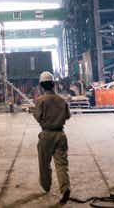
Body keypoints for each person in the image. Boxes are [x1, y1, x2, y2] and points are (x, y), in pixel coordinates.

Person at [33, 71, 71, 204]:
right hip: (60, 135)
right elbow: (67, 116)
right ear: (53, 84)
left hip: (46, 135)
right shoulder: (61, 100)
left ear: (41, 86)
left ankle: (46, 186)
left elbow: (38, 117)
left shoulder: (40, 100)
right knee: (61, 164)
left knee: (44, 164)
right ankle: (65, 188)